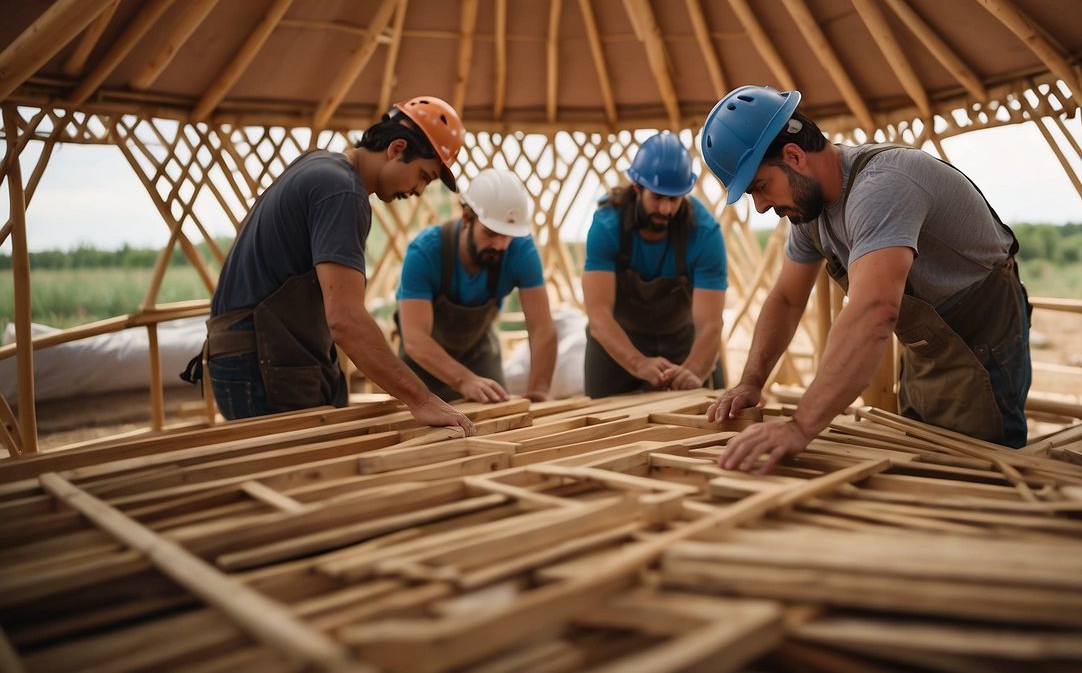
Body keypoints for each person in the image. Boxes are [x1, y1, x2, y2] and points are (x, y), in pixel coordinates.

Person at [701, 85, 1031, 472]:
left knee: (980, 473)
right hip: (927, 342)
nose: (760, 205)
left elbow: (873, 314)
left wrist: (801, 426)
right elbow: (786, 300)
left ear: (794, 156)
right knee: (926, 462)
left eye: (759, 187)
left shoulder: (882, 187)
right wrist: (750, 381)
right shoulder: (809, 213)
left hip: (981, 337)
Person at [187, 97, 475, 436]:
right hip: (261, 364)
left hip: (256, 357)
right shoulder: (342, 191)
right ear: (397, 149)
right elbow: (346, 320)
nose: (418, 190)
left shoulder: (319, 166)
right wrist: (421, 399)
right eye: (422, 176)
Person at [582, 131, 728, 397]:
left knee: (703, 416)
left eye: (674, 198)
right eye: (658, 197)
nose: (666, 209)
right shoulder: (607, 224)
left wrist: (694, 371)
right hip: (618, 338)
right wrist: (638, 363)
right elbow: (599, 317)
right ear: (637, 188)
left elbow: (710, 323)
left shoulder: (705, 232)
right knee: (605, 417)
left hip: (683, 338)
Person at [396, 168, 557, 402]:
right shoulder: (425, 252)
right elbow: (415, 340)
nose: (500, 245)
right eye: (491, 233)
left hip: (479, 352)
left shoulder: (522, 250)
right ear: (466, 219)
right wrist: (463, 380)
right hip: (424, 360)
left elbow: (542, 328)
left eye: (508, 236)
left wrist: (539, 390)